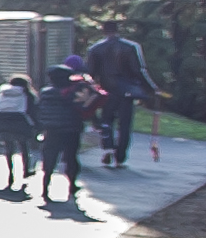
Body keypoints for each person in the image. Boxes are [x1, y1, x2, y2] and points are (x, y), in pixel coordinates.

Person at [85, 21, 161, 169]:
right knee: (125, 125)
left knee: (106, 121)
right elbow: (139, 71)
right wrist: (152, 88)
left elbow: (90, 74)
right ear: (118, 30)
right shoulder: (131, 47)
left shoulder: (95, 49)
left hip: (106, 90)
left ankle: (108, 148)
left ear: (103, 31)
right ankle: (120, 156)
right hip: (127, 91)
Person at [30, 55, 93, 208]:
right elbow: (85, 107)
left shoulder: (45, 92)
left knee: (49, 160)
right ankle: (72, 186)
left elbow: (39, 110)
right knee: (71, 159)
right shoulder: (73, 92)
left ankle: (45, 190)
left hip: (51, 131)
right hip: (72, 130)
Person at [0, 72, 38, 191]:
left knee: (9, 150)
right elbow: (32, 111)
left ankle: (11, 174)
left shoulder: (2, 92)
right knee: (24, 148)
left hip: (3, 124)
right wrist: (38, 126)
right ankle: (26, 171)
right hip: (21, 124)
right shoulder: (26, 93)